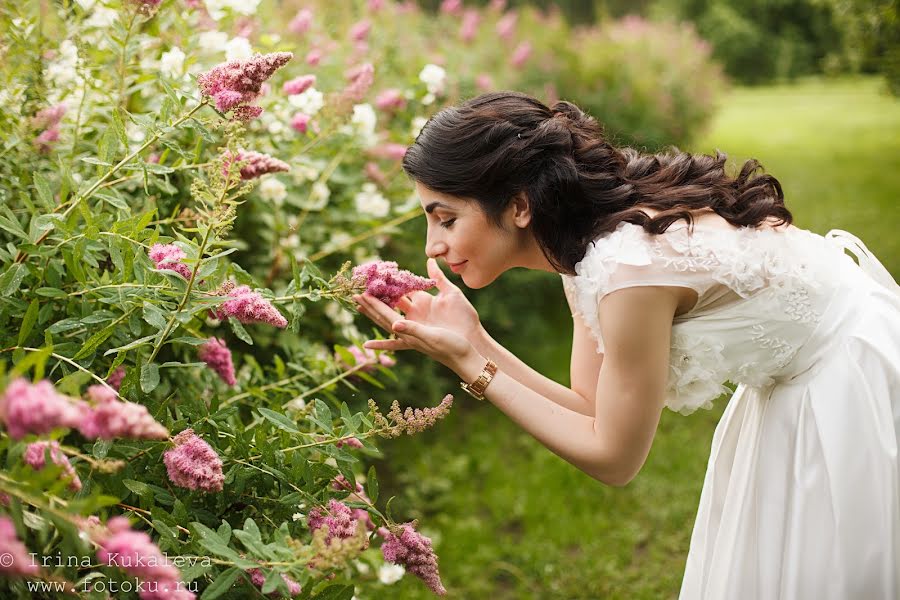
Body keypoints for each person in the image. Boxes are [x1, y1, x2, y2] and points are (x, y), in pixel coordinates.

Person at [352, 91, 900, 599]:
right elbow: (590, 411)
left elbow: (614, 459)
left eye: (446, 218)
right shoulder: (583, 248)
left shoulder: (625, 270)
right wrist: (475, 339)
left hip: (846, 382)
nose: (433, 245)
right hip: (798, 378)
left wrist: (470, 363)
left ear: (519, 206)